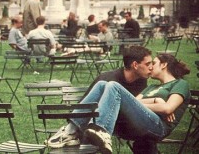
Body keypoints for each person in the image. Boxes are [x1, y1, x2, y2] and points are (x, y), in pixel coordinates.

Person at [46, 53, 190, 154]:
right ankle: (71, 130)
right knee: (103, 84)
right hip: (138, 124)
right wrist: (155, 100)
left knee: (113, 86)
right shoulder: (152, 87)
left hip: (157, 127)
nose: (151, 67)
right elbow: (135, 103)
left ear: (164, 65)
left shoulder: (180, 84)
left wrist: (159, 106)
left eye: (154, 63)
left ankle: (102, 130)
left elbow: (168, 107)